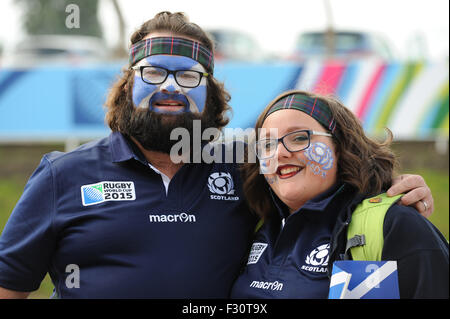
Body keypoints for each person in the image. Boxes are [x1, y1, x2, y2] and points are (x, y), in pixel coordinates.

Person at [0, 12, 436, 299]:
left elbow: (320, 181)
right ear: (127, 85)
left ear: (209, 95)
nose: (170, 87)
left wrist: (391, 193)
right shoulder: (63, 175)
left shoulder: (244, 166)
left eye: (189, 76)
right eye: (152, 72)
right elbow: (9, 285)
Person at [230, 90, 449, 299]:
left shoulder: (392, 225)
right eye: (267, 144)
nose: (280, 153)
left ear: (340, 147)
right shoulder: (253, 225)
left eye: (299, 138)